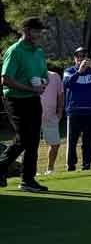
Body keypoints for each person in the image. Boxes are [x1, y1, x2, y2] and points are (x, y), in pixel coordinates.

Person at [0, 18, 50, 192]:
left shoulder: (38, 51)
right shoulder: (15, 51)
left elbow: (45, 75)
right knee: (24, 138)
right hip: (15, 100)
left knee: (33, 140)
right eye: (37, 31)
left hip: (33, 99)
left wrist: (42, 84)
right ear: (27, 31)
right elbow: (5, 80)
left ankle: (27, 180)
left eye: (41, 32)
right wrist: (30, 87)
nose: (40, 35)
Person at [63, 47, 91, 171]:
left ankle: (86, 164)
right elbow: (66, 83)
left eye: (84, 56)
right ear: (74, 58)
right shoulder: (69, 71)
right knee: (72, 141)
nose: (81, 59)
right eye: (78, 56)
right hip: (74, 111)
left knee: (89, 141)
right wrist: (79, 72)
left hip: (90, 111)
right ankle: (71, 165)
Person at [40, 66, 64, 174]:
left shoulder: (55, 76)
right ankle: (31, 171)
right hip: (32, 116)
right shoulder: (28, 74)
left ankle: (50, 169)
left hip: (51, 116)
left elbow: (60, 95)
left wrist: (59, 112)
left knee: (55, 144)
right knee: (31, 145)